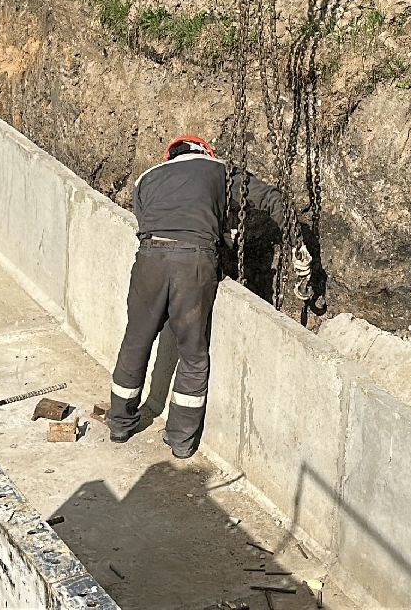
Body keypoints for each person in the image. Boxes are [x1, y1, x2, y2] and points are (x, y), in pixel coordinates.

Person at [107, 134, 282, 459]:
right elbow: (266, 197)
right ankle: (181, 441)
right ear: (206, 152)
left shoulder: (147, 178)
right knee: (193, 354)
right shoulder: (219, 170)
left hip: (150, 260)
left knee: (136, 341)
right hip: (194, 265)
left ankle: (119, 424)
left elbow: (149, 221)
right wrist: (295, 236)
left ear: (170, 156)